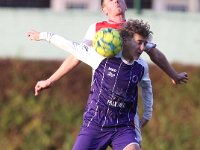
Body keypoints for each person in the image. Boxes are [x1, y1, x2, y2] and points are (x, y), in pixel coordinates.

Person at [28, 19, 153, 150]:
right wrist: (42, 36)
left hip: (123, 127)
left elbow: (147, 88)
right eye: (139, 43)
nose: (142, 48)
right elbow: (71, 46)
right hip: (95, 124)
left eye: (145, 44)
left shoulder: (141, 66)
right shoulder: (102, 57)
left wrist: (147, 114)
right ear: (126, 40)